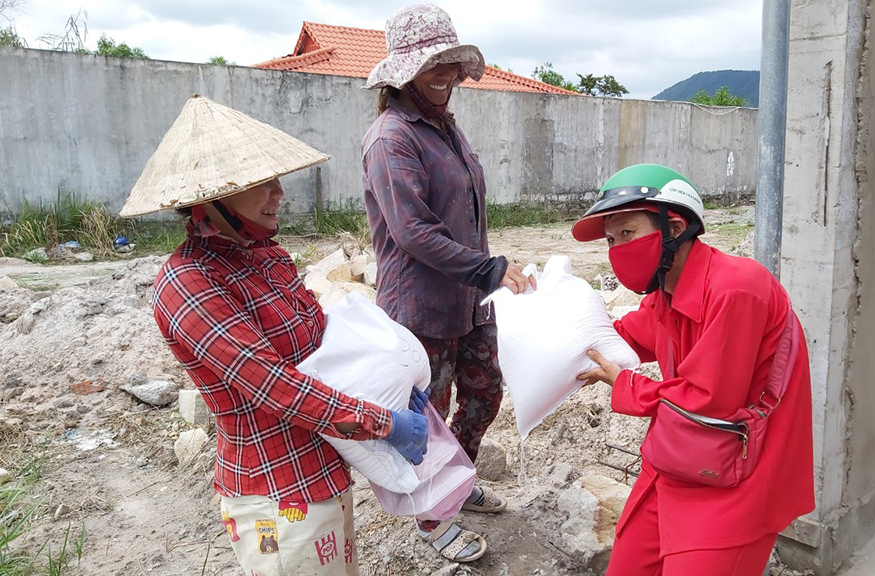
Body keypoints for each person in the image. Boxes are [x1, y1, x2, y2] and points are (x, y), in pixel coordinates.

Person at [119, 95, 429, 576]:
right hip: (275, 492)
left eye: (275, 179)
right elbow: (273, 385)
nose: (279, 193)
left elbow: (321, 346)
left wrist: (393, 381)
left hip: (326, 466)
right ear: (212, 197)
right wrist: (384, 422)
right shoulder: (189, 283)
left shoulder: (266, 257)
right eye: (261, 183)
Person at [573, 164, 815, 576]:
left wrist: (626, 383)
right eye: (611, 240)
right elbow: (623, 338)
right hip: (678, 458)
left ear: (675, 227)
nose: (616, 248)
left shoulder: (738, 288)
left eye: (627, 233)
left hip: (739, 473)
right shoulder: (665, 293)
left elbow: (709, 399)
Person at [360, 3, 535, 563]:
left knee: (484, 395)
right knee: (428, 418)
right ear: (405, 72)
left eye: (451, 64)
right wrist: (490, 269)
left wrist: (486, 277)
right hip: (421, 308)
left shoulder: (447, 127)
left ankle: (455, 482)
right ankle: (434, 517)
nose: (446, 76)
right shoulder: (391, 138)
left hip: (471, 302)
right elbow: (412, 231)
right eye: (433, 66)